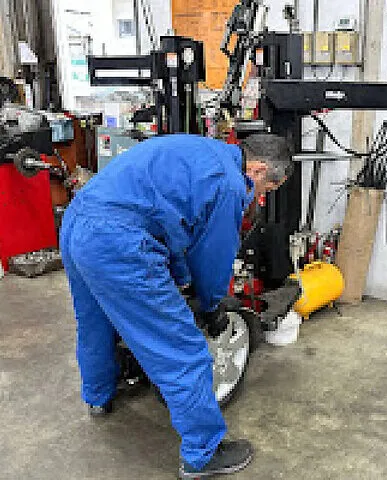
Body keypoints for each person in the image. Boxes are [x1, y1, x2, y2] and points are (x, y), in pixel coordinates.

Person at [59, 133, 293, 478]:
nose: (262, 195)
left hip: (78, 222)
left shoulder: (201, 149)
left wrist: (182, 278)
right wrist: (211, 306)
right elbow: (212, 256)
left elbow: (175, 226)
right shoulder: (229, 184)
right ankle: (203, 454)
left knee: (95, 323)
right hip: (119, 241)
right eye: (268, 187)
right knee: (183, 351)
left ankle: (98, 396)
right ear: (257, 170)